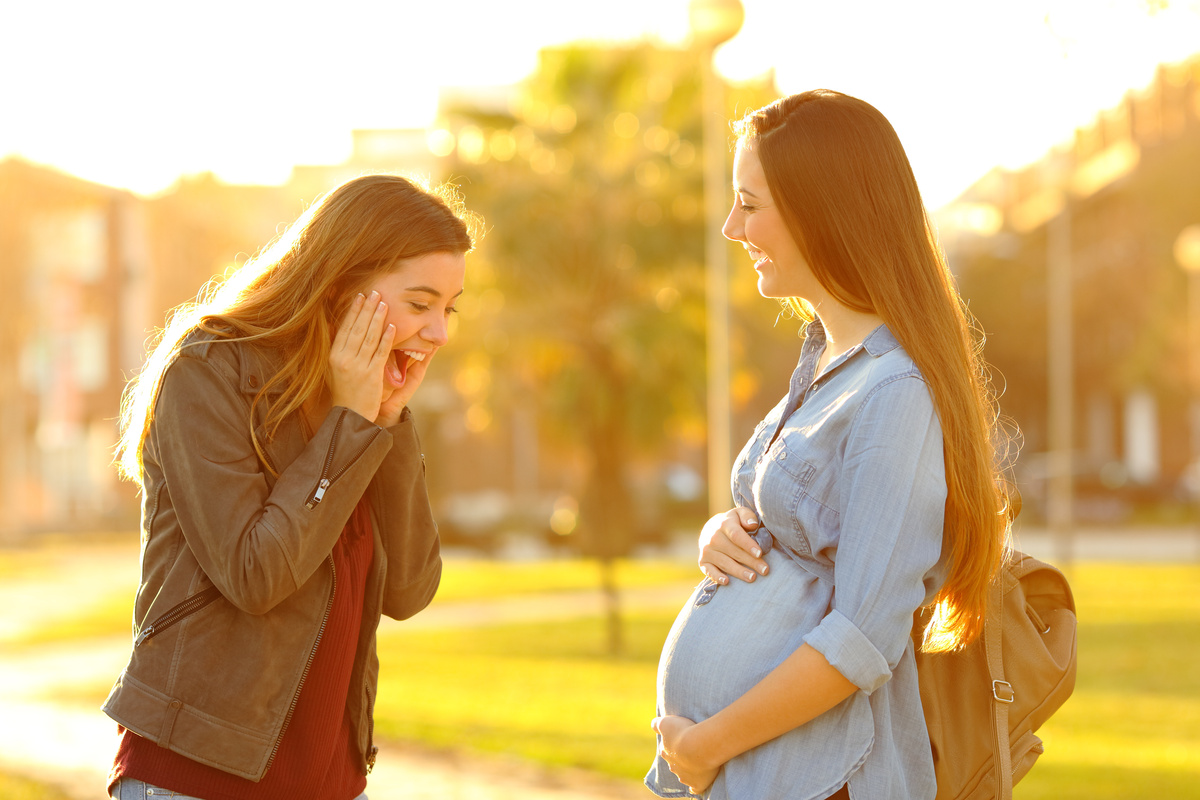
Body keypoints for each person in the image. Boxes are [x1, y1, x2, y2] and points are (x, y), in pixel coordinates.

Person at [646, 90, 1015, 800]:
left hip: (825, 779)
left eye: (749, 204)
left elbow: (863, 637)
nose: (731, 227)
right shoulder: (826, 360)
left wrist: (704, 746)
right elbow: (798, 530)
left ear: (822, 212)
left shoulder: (895, 391)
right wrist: (721, 533)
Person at [104, 174, 476, 800]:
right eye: (420, 303)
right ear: (342, 282)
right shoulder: (210, 372)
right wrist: (351, 425)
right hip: (195, 779)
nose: (439, 333)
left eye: (450, 308)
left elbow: (411, 588)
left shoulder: (363, 412)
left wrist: (385, 422)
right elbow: (256, 574)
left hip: (330, 785)